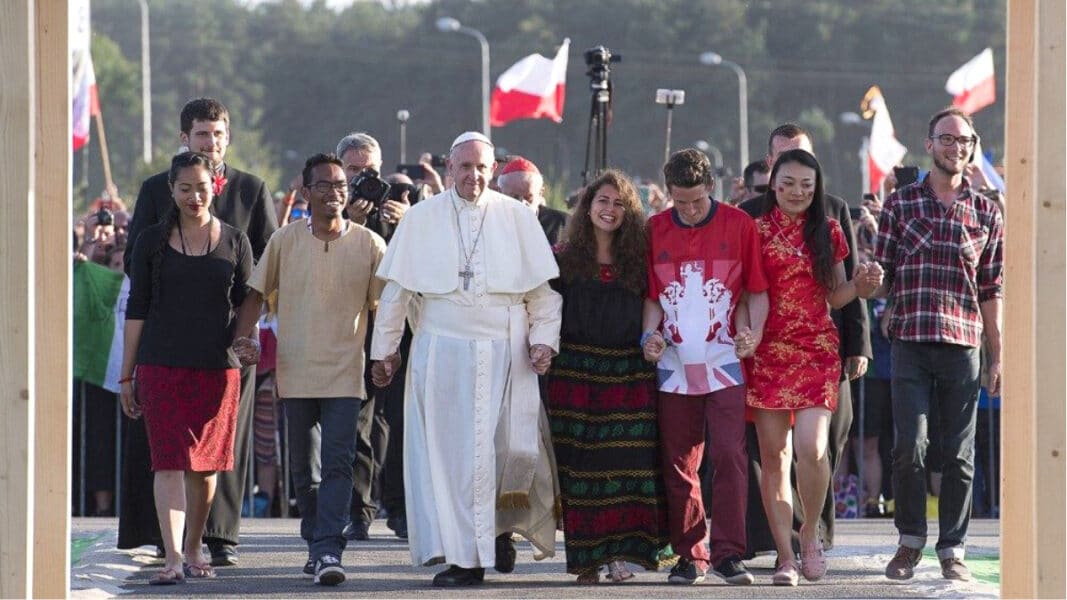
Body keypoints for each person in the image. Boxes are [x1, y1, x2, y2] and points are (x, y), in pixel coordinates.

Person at [369, 132, 562, 587]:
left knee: (507, 452)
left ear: (492, 171)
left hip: (506, 352)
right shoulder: (421, 218)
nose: (473, 176)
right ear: (450, 168)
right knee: (451, 459)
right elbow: (396, 294)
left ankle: (497, 531)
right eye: (465, 167)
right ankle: (464, 557)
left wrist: (543, 341)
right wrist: (384, 352)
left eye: (481, 168)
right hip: (442, 353)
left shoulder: (517, 217)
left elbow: (543, 295)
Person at [119, 98, 278, 566]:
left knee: (217, 451)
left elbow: (264, 271)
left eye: (219, 134)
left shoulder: (252, 190)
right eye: (202, 134)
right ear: (184, 137)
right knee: (165, 449)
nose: (212, 142)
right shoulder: (154, 190)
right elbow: (136, 270)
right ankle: (166, 541)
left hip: (228, 347)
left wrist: (244, 333)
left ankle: (217, 536)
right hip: (164, 345)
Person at [231, 153, 386, 585]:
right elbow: (256, 293)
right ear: (305, 191)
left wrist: (386, 356)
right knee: (304, 471)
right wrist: (244, 339)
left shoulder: (371, 244)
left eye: (340, 186)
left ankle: (327, 549)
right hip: (295, 372)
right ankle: (317, 541)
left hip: (346, 374)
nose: (334, 193)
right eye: (324, 185)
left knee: (337, 464)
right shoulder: (285, 240)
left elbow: (386, 308)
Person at [872, 107, 1003, 582]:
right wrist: (870, 284)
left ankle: (953, 549)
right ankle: (909, 542)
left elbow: (992, 288)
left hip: (964, 344)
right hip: (910, 340)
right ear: (929, 144)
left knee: (959, 456)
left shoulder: (987, 210)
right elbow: (881, 275)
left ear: (973, 147)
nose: (956, 147)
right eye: (947, 139)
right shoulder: (900, 203)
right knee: (910, 446)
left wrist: (997, 354)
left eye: (964, 141)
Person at [744, 149, 883, 586]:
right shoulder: (754, 229)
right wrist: (748, 333)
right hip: (767, 352)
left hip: (816, 350)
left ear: (817, 186)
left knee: (813, 447)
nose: (796, 192)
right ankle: (785, 556)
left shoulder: (830, 230)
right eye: (787, 183)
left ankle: (809, 532)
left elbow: (837, 296)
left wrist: (860, 286)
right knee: (773, 457)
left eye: (806, 185)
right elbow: (746, 292)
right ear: (773, 184)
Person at [641, 149, 769, 586]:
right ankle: (689, 554)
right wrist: (648, 337)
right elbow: (652, 298)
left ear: (711, 188)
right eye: (680, 202)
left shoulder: (739, 224)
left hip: (724, 361)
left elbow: (756, 291)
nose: (690, 210)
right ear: (669, 194)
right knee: (679, 461)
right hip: (674, 365)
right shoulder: (655, 229)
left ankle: (729, 554)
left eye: (697, 200)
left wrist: (754, 333)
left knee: (731, 454)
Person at [546, 169, 672, 584]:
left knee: (626, 466)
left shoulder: (640, 260)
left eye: (619, 203)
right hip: (574, 374)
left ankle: (618, 557)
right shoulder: (562, 258)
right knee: (579, 470)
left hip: (628, 373)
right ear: (587, 207)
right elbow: (544, 311)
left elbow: (657, 305)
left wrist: (653, 340)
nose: (610, 209)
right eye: (602, 200)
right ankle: (586, 560)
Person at [335, 132, 409, 541]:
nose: (364, 179)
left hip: (399, 330)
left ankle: (399, 509)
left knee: (399, 421)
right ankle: (359, 510)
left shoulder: (404, 206)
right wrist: (352, 223)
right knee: (357, 423)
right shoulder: (330, 210)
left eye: (371, 171)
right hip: (354, 329)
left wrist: (407, 224)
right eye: (354, 171)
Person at [496, 156, 569, 244]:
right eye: (515, 198)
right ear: (500, 192)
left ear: (540, 193)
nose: (522, 204)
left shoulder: (563, 223)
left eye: (528, 198)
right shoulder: (489, 221)